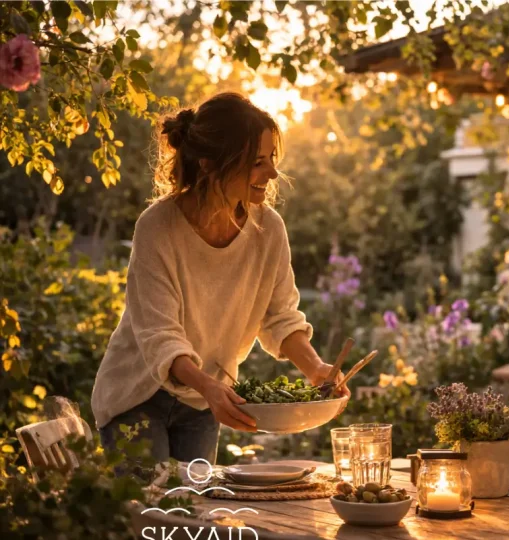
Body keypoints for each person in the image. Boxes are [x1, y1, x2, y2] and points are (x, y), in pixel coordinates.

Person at [92, 92, 348, 464]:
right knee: (150, 514)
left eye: (272, 160)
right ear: (211, 164)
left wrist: (316, 368)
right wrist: (209, 387)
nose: (272, 174)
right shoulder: (158, 228)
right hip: (137, 396)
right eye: (257, 162)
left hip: (204, 403)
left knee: (195, 516)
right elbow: (159, 335)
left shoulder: (269, 230)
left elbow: (279, 318)